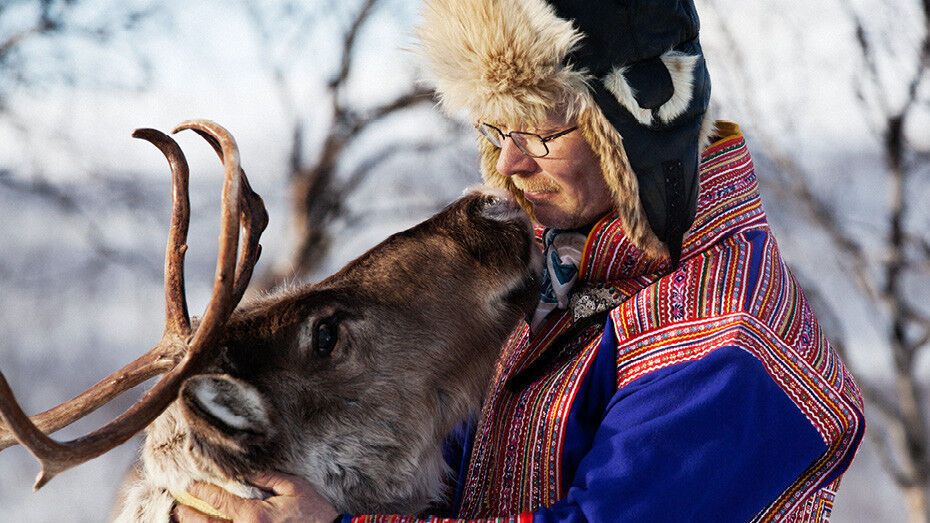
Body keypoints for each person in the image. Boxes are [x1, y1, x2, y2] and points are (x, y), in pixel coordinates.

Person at [176, 0, 865, 521]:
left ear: (639, 121)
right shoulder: (564, 281)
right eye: (496, 126)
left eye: (540, 127)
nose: (509, 161)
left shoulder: (726, 341)